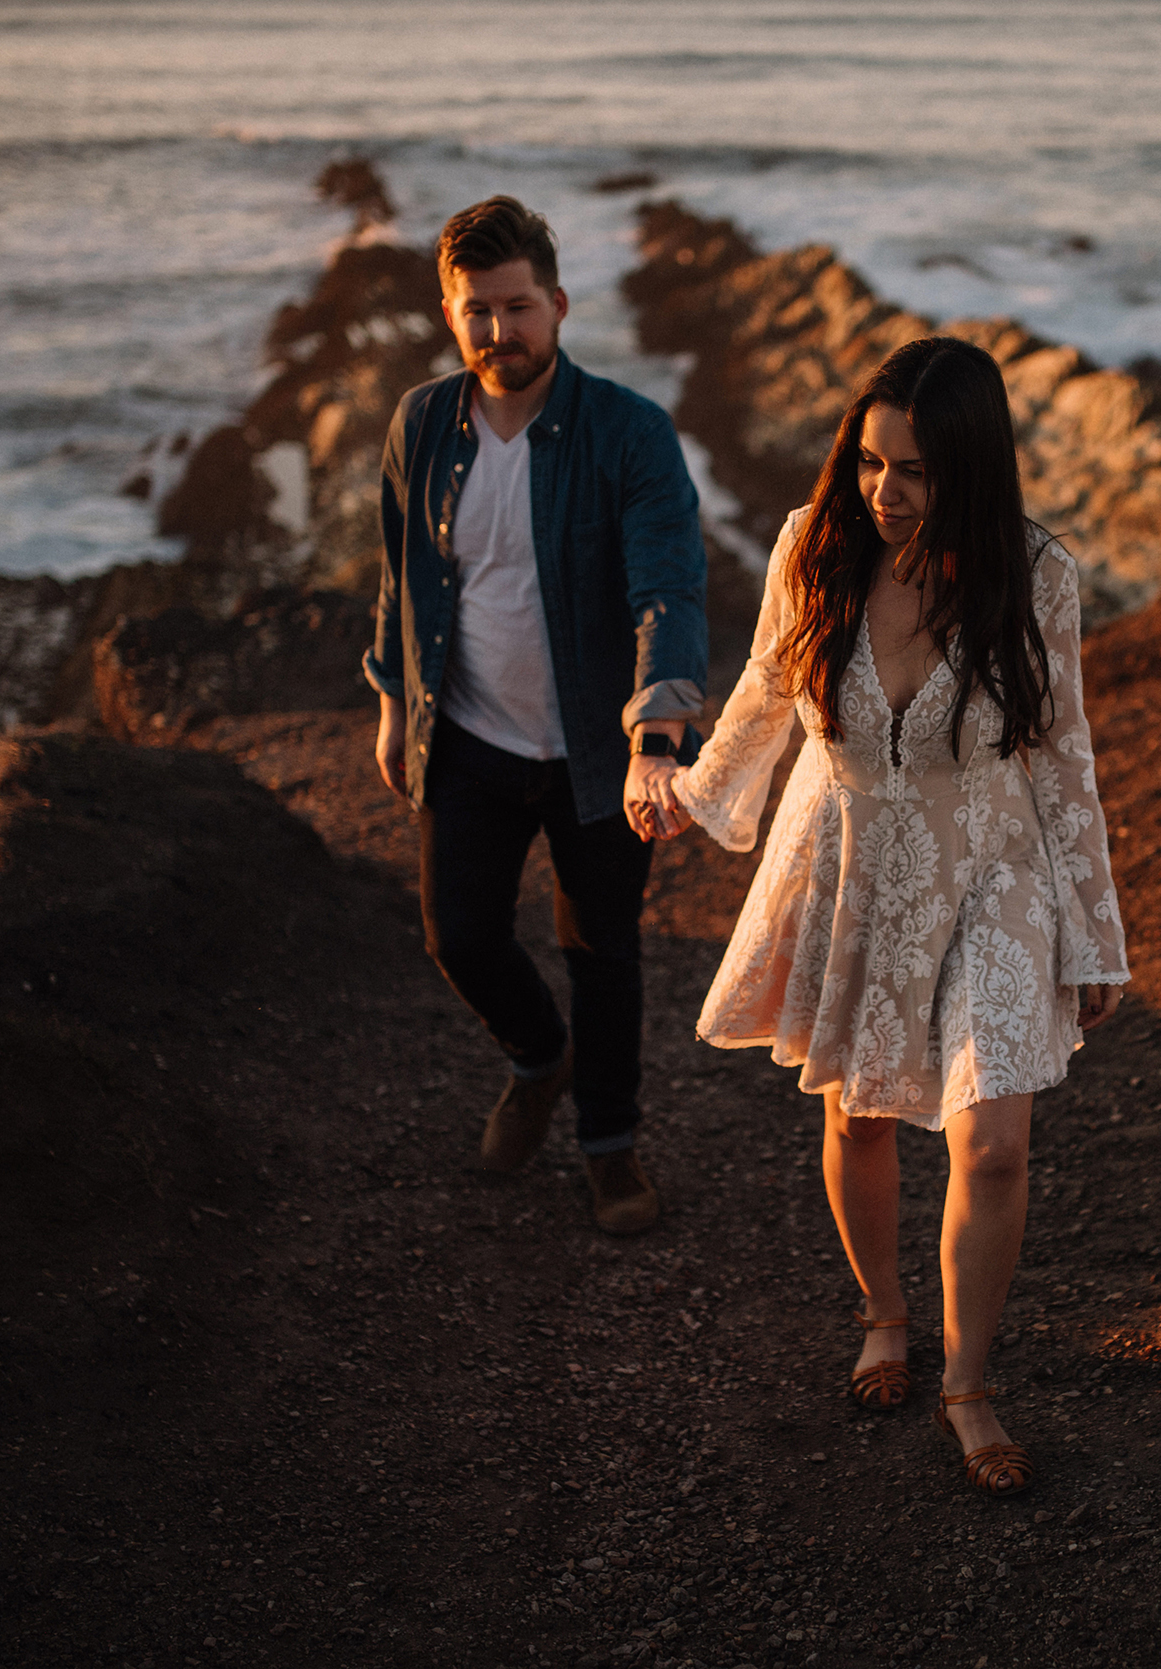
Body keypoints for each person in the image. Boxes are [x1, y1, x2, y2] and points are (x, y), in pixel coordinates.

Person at [645, 336, 1128, 1495]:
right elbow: (767, 685)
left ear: (970, 467)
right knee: (857, 1116)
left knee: (992, 1139)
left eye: (912, 471)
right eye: (869, 463)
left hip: (993, 868)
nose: (884, 492)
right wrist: (690, 792)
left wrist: (1093, 925)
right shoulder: (817, 551)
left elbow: (1062, 755)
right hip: (851, 859)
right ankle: (883, 1310)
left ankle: (968, 1378)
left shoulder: (1035, 573)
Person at [365, 195, 707, 1236]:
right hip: (467, 735)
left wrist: (656, 738)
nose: (497, 333)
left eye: (517, 309)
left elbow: (667, 588)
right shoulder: (422, 423)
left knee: (601, 952)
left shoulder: (628, 434)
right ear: (448, 311)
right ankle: (537, 1060)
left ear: (557, 305)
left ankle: (610, 1147)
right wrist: (391, 701)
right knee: (457, 934)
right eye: (476, 311)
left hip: (597, 752)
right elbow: (400, 571)